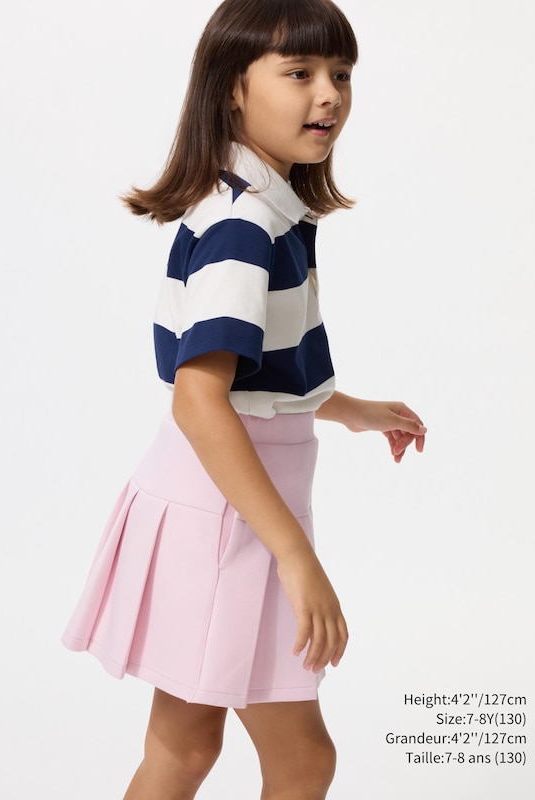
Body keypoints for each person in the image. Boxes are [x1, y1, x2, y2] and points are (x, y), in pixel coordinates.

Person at [62, 1, 426, 797]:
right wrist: (295, 556)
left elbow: (253, 382)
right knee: (297, 759)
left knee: (185, 747)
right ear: (233, 88)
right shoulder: (245, 229)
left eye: (340, 73)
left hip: (223, 507)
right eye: (299, 73)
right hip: (229, 520)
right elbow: (200, 402)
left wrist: (352, 410)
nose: (328, 94)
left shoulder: (261, 209)